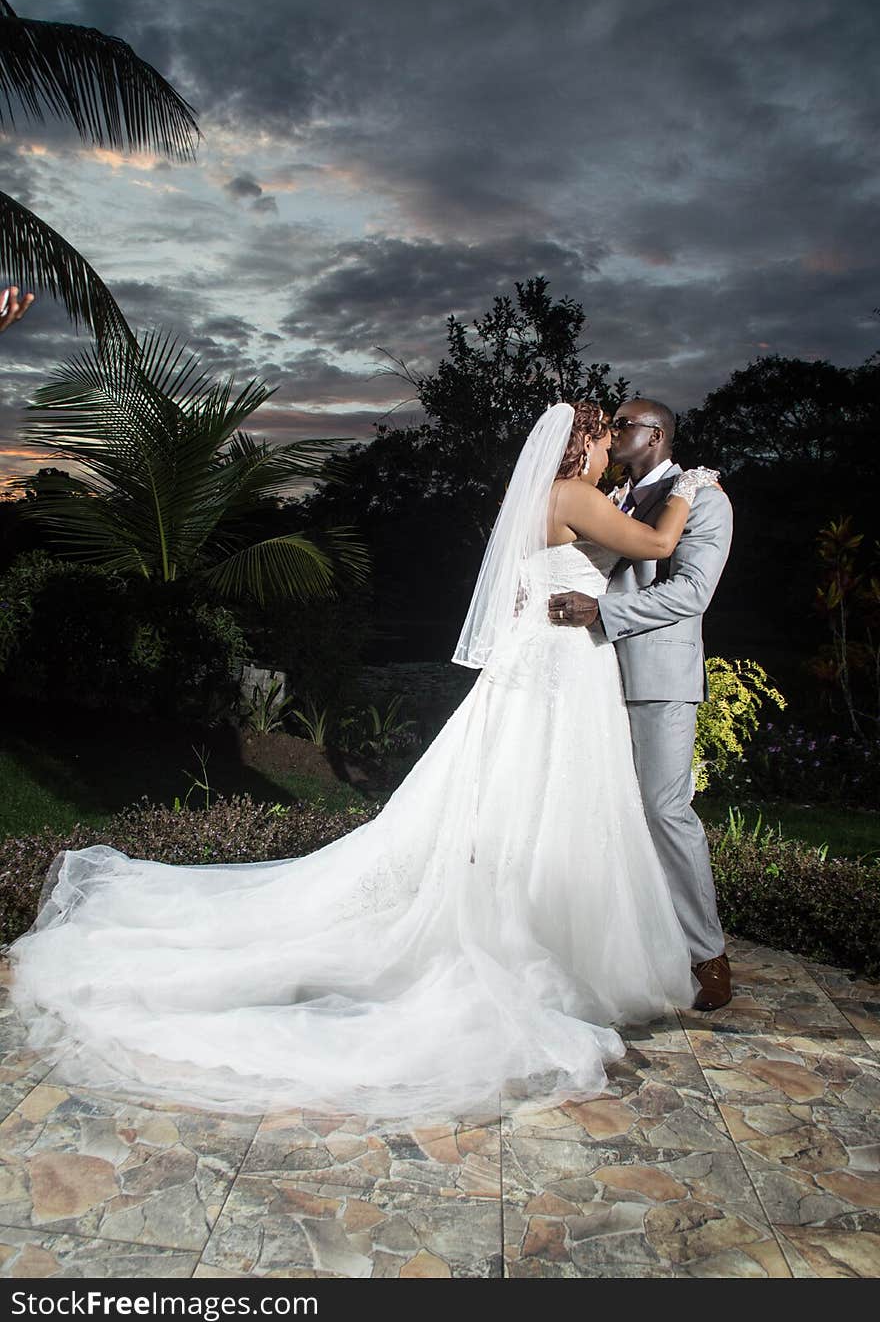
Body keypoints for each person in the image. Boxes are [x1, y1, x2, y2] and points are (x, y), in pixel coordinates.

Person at [8, 401, 720, 1124]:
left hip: (538, 663)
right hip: (564, 668)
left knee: (522, 797)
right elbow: (659, 547)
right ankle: (549, 940)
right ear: (580, 445)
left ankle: (544, 925)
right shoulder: (575, 495)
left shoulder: (537, 498)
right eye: (599, 439)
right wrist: (693, 486)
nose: (605, 452)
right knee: (555, 798)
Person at [549, 398, 734, 1010]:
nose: (610, 433)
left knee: (663, 810)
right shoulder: (609, 500)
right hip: (594, 674)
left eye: (622, 425)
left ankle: (708, 954)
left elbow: (691, 591)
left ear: (654, 435)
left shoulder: (703, 498)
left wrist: (605, 611)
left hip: (657, 678)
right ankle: (631, 945)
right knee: (606, 811)